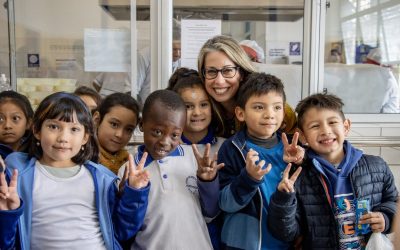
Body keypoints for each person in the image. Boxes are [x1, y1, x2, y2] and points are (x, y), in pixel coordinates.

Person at [0, 92, 150, 249]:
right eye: (53, 127)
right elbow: (7, 243)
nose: (63, 137)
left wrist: (134, 193)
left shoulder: (102, 178)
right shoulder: (18, 176)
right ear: (37, 130)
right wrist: (7, 215)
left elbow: (122, 232)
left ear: (85, 136)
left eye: (74, 129)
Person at [268, 93, 398, 249]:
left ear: (346, 127)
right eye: (315, 126)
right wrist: (284, 198)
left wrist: (386, 218)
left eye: (332, 122)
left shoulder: (377, 166)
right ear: (302, 136)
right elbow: (287, 233)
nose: (325, 131)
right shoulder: (298, 176)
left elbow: (393, 201)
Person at [118, 89, 224, 249]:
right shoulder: (128, 170)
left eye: (174, 135)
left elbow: (211, 213)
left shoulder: (194, 160)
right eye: (157, 132)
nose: (165, 142)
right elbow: (125, 230)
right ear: (141, 125)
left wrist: (207, 181)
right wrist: (133, 192)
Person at [217, 72, 304, 250]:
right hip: (242, 245)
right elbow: (225, 203)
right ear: (241, 113)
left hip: (285, 244)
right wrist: (249, 178)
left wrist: (303, 159)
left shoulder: (291, 147)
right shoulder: (232, 148)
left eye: (277, 107)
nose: (269, 115)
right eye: (259, 107)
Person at [168, 67, 225, 249]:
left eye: (204, 104)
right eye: (188, 106)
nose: (197, 113)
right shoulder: (166, 150)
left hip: (214, 238)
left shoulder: (226, 147)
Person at [198, 35, 256, 138]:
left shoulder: (268, 105)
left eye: (228, 70)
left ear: (241, 73)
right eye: (211, 71)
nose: (219, 81)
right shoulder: (200, 110)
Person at [93, 92, 140, 174]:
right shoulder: (82, 158)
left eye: (128, 129)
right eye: (114, 124)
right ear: (97, 120)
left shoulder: (129, 163)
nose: (120, 135)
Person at [364, 48, 399, 113]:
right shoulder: (378, 78)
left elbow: (373, 106)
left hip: (386, 120)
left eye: (370, 65)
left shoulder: (387, 81)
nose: (367, 67)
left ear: (381, 66)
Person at [0, 91, 33, 158]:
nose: (7, 126)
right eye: (0, 119)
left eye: (15, 118)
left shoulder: (36, 153)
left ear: (29, 123)